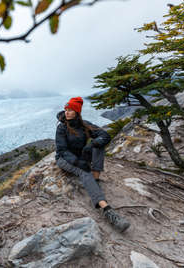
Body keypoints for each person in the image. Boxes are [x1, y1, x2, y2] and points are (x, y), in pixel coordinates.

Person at [55, 96, 130, 233]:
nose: (67, 112)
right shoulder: (62, 128)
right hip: (64, 159)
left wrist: (93, 144)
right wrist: (78, 162)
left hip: (80, 156)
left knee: (98, 147)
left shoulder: (84, 125)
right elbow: (62, 150)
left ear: (77, 112)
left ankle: (95, 180)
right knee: (83, 172)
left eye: (71, 110)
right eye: (66, 109)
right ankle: (107, 210)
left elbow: (105, 136)